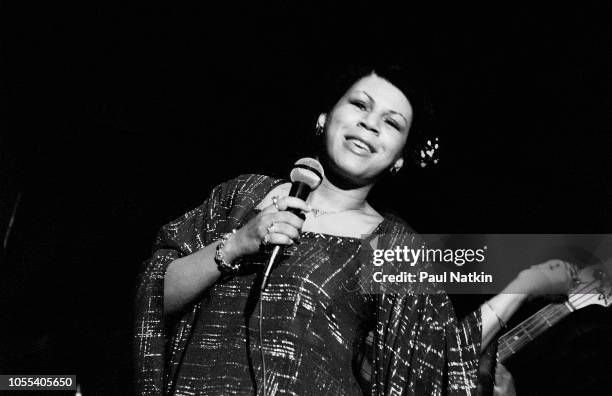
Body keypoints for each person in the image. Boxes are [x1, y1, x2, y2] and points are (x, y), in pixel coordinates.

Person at [134, 65, 576, 396]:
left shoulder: (395, 246)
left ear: (399, 157)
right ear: (325, 118)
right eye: (360, 105)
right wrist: (239, 243)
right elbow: (156, 297)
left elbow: (432, 364)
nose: (370, 123)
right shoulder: (244, 194)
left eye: (392, 122)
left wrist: (523, 286)